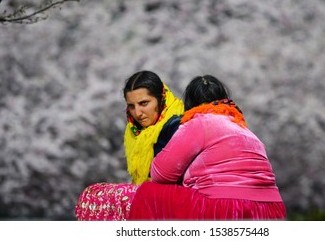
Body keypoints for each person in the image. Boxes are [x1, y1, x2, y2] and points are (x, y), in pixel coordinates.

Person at [128, 75, 286, 220]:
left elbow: (161, 174)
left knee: (148, 192)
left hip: (225, 206)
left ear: (189, 103)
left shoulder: (199, 120)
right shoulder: (244, 128)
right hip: (271, 209)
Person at [74, 70, 184, 220]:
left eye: (144, 103)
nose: (137, 113)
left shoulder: (177, 126)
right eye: (131, 106)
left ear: (161, 99)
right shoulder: (134, 130)